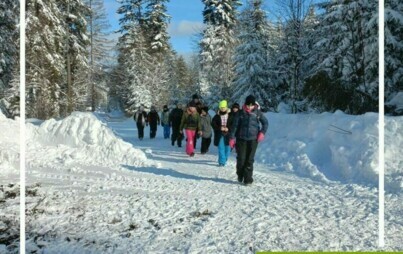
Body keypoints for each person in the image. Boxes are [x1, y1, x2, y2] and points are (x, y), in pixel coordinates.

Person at [229, 95, 268, 185]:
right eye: (247, 105)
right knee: (241, 159)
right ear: (245, 104)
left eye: (251, 105)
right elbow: (234, 126)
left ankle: (248, 179)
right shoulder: (240, 113)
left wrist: (262, 133)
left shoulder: (258, 113)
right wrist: (231, 138)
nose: (249, 107)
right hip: (241, 139)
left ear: (254, 105)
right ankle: (240, 174)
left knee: (249, 160)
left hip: (253, 139)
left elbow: (265, 123)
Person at [211, 100, 233, 166]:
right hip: (219, 134)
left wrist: (228, 128)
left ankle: (224, 159)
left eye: (224, 107)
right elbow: (213, 124)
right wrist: (220, 128)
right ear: (219, 108)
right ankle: (222, 162)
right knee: (221, 147)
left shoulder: (230, 115)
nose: (223, 109)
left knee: (228, 148)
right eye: (221, 107)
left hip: (228, 134)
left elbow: (234, 124)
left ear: (226, 107)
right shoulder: (217, 116)